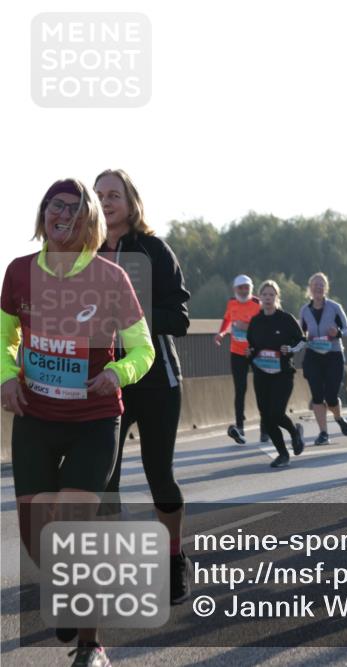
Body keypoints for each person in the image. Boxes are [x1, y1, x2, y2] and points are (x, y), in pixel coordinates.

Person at [2, 178, 155, 665]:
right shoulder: (19, 273)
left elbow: (143, 350)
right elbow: (4, 338)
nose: (60, 213)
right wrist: (7, 375)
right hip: (36, 416)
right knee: (34, 535)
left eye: (72, 206)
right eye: (53, 204)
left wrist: (117, 371)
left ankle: (91, 645)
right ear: (43, 214)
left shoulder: (111, 278)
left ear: (87, 219)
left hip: (94, 420)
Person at [95, 168, 192, 605]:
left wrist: (131, 314)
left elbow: (180, 320)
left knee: (159, 476)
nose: (105, 201)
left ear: (131, 202)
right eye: (98, 195)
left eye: (113, 194)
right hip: (102, 381)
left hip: (154, 379)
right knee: (103, 480)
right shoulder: (81, 253)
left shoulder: (153, 250)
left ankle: (173, 560)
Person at [246, 280, 306, 468]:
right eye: (264, 295)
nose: (268, 298)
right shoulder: (255, 322)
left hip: (283, 374)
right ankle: (282, 454)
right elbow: (252, 347)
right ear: (260, 298)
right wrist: (250, 353)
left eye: (271, 295)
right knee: (266, 416)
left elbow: (302, 341)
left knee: (276, 413)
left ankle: (295, 432)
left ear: (277, 298)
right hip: (261, 374)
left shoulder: (286, 319)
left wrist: (290, 349)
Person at [299, 272, 347, 445]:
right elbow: (301, 334)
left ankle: (338, 417)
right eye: (315, 285)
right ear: (310, 289)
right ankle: (323, 433)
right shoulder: (305, 310)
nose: (318, 288)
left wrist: (337, 333)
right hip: (313, 356)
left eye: (321, 285)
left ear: (326, 288)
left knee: (330, 396)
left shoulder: (335, 307)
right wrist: (304, 338)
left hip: (334, 356)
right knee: (316, 395)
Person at [215, 275, 262, 444]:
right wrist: (222, 333)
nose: (243, 291)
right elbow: (227, 319)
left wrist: (247, 327)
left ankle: (265, 428)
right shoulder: (232, 303)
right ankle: (240, 427)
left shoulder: (257, 304)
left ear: (251, 288)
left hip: (256, 352)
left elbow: (264, 324)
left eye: (246, 288)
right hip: (237, 352)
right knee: (240, 389)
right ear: (235, 290)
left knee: (260, 389)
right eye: (240, 288)